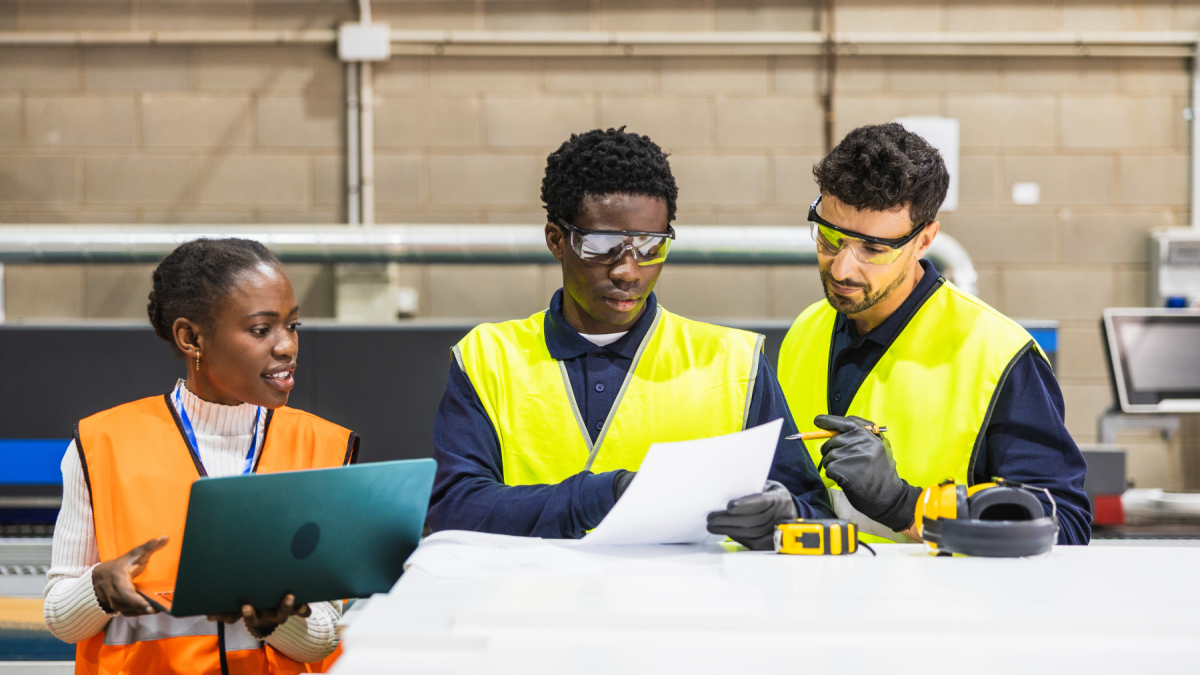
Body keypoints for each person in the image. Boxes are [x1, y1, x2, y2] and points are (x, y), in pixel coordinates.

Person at [427, 127, 834, 549]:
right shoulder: (488, 357)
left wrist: (782, 518)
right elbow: (453, 506)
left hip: (689, 610)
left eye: (649, 245)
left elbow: (812, 513)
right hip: (533, 609)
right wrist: (600, 496)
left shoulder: (734, 362)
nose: (628, 269)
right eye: (602, 244)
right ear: (556, 240)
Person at [43, 238, 357, 674]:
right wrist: (97, 588)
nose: (287, 346)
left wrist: (276, 623)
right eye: (261, 330)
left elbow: (322, 637)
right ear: (191, 338)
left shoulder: (323, 448)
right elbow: (59, 615)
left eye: (293, 326)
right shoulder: (102, 443)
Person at [776, 123, 1091, 545]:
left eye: (873, 249)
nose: (842, 269)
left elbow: (1064, 526)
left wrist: (907, 506)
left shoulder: (999, 355)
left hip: (940, 608)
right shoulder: (804, 331)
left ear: (924, 239)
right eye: (831, 239)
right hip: (821, 601)